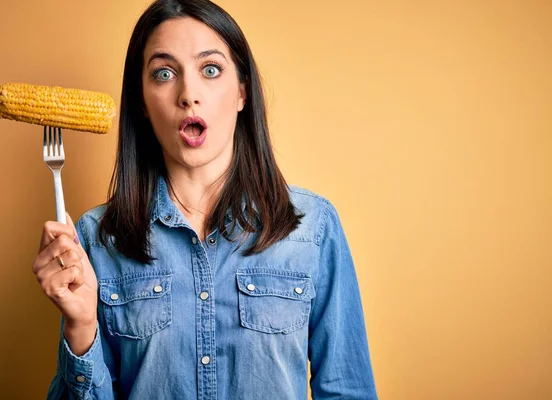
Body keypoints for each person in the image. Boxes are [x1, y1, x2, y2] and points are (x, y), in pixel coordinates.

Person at [32, 0, 378, 398]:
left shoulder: (312, 226)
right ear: (143, 103)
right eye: (164, 73)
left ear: (242, 93)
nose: (188, 94)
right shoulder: (96, 239)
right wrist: (80, 330)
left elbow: (350, 390)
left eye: (210, 70)